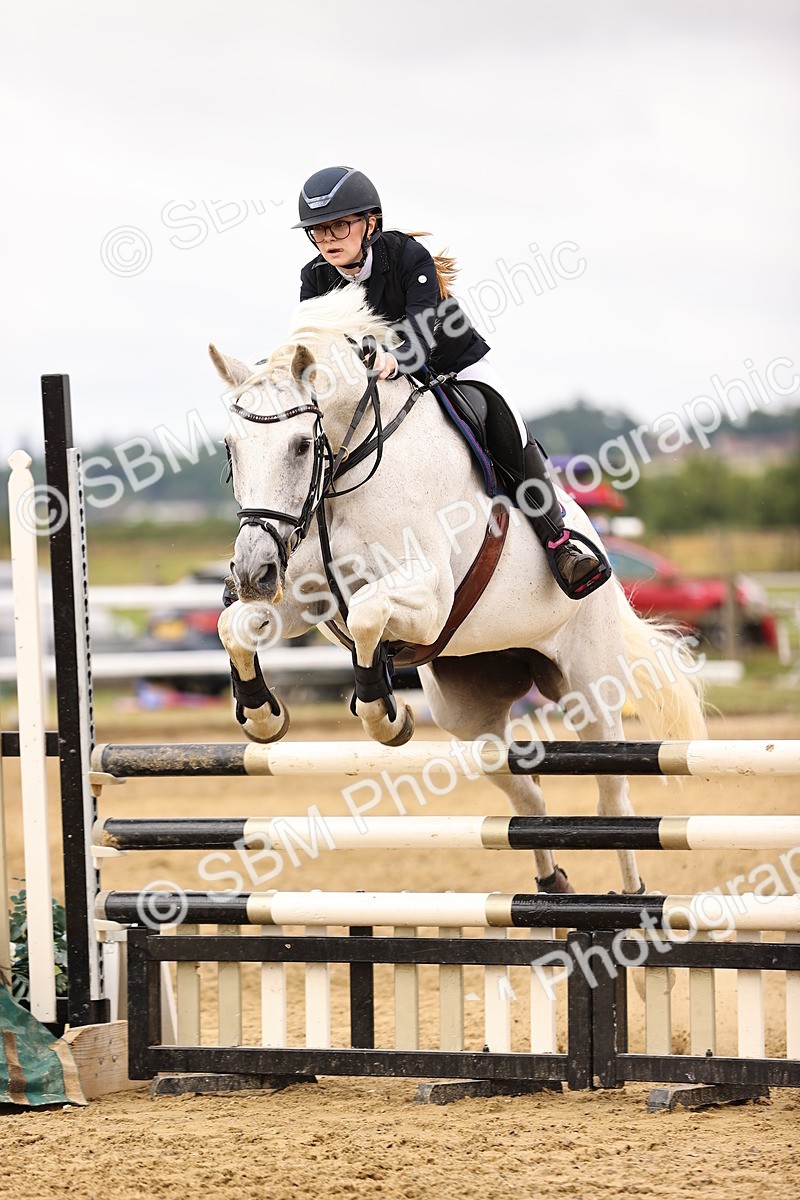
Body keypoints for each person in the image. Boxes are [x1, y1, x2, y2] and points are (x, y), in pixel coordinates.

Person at [294, 166, 609, 599]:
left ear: (370, 224)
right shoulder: (314, 279)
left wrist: (395, 356)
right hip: (378, 381)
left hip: (451, 363)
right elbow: (317, 348)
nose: (328, 239)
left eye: (339, 226)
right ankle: (281, 552)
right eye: (318, 231)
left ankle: (559, 542)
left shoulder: (407, 257)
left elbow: (423, 330)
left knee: (507, 426)